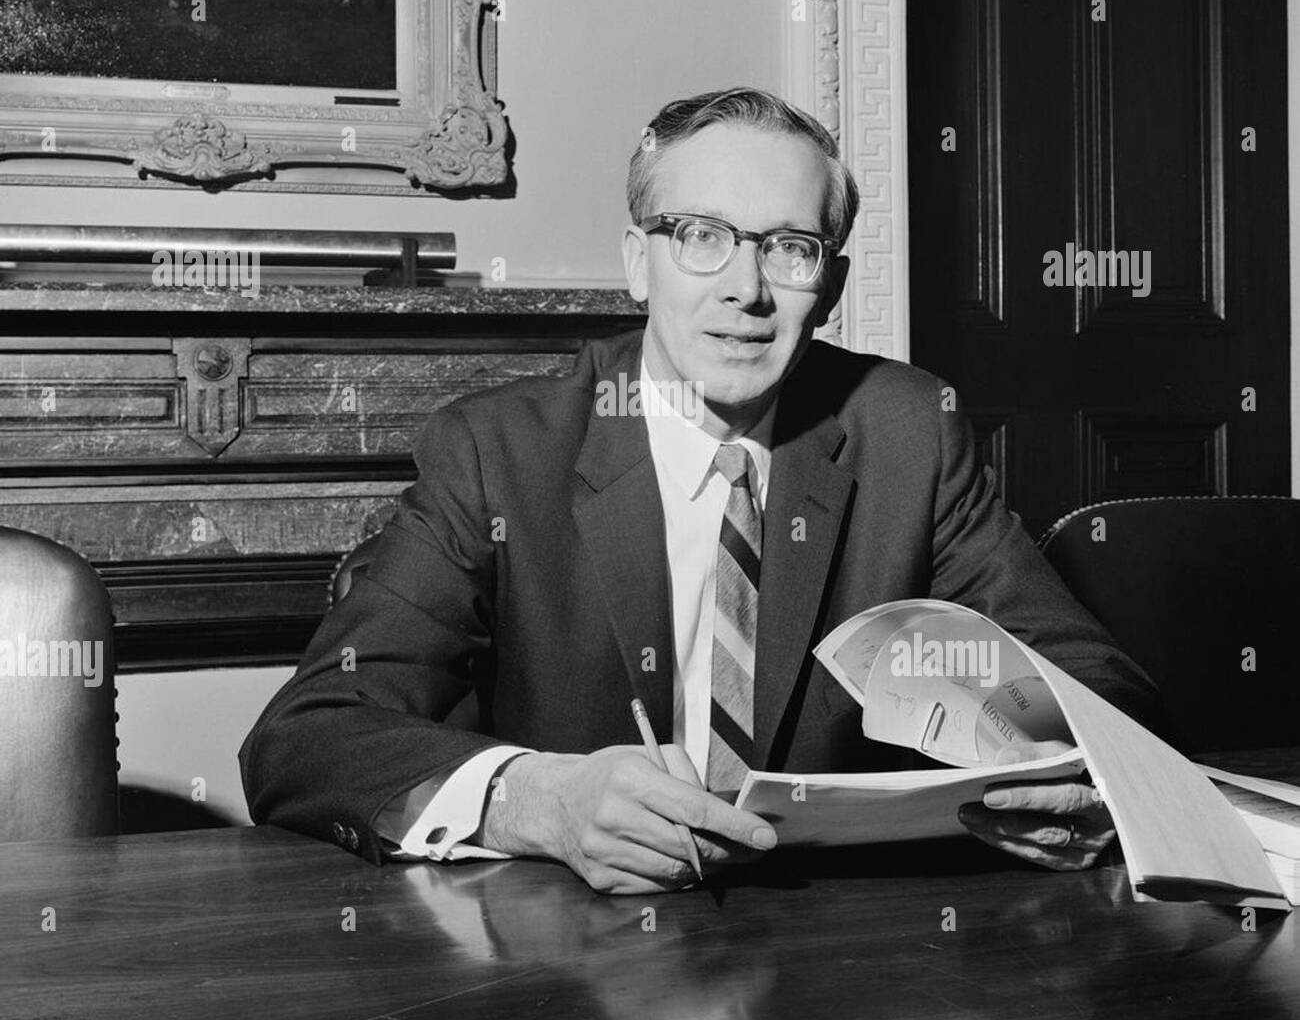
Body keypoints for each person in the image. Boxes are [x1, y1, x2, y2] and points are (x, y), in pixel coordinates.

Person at [240, 87, 1160, 894]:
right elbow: (306, 738)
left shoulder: (908, 432)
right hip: (570, 972)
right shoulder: (499, 451)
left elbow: (1101, 689)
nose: (747, 289)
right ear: (640, 262)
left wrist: (1073, 780)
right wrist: (538, 802)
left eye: (791, 248)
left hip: (850, 952)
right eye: (702, 238)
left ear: (829, 286)